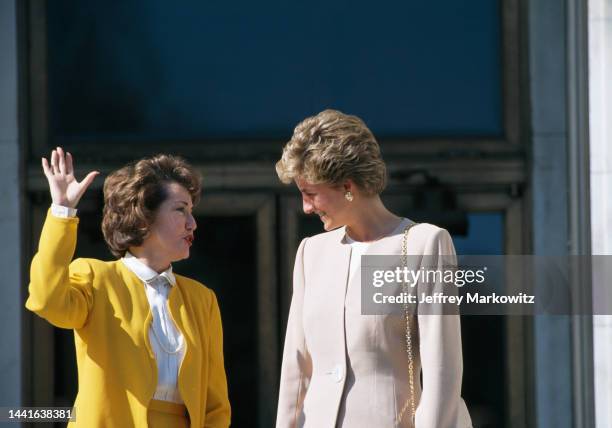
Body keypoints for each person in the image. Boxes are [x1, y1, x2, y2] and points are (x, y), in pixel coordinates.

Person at [275, 110, 472, 427]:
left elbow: (442, 374)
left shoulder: (424, 244)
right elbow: (296, 371)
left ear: (347, 186)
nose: (305, 207)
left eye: (310, 193)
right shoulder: (311, 253)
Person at [26, 148, 231, 428]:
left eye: (191, 211)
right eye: (180, 210)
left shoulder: (201, 299)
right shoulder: (95, 278)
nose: (192, 223)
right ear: (144, 216)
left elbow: (215, 406)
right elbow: (46, 300)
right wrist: (62, 212)